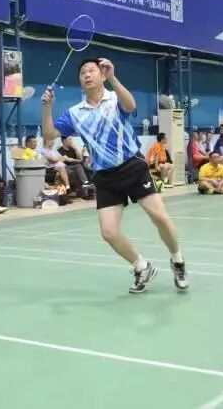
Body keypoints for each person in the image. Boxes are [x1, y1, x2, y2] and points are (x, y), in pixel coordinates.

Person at [41, 57, 187, 293]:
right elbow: (49, 134)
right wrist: (47, 107)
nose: (87, 74)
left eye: (92, 70)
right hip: (105, 176)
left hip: (133, 166)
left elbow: (130, 106)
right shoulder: (75, 113)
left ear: (101, 75)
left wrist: (113, 78)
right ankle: (142, 266)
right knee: (109, 232)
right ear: (80, 82)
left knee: (160, 217)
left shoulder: (114, 98)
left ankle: (177, 259)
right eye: (83, 73)